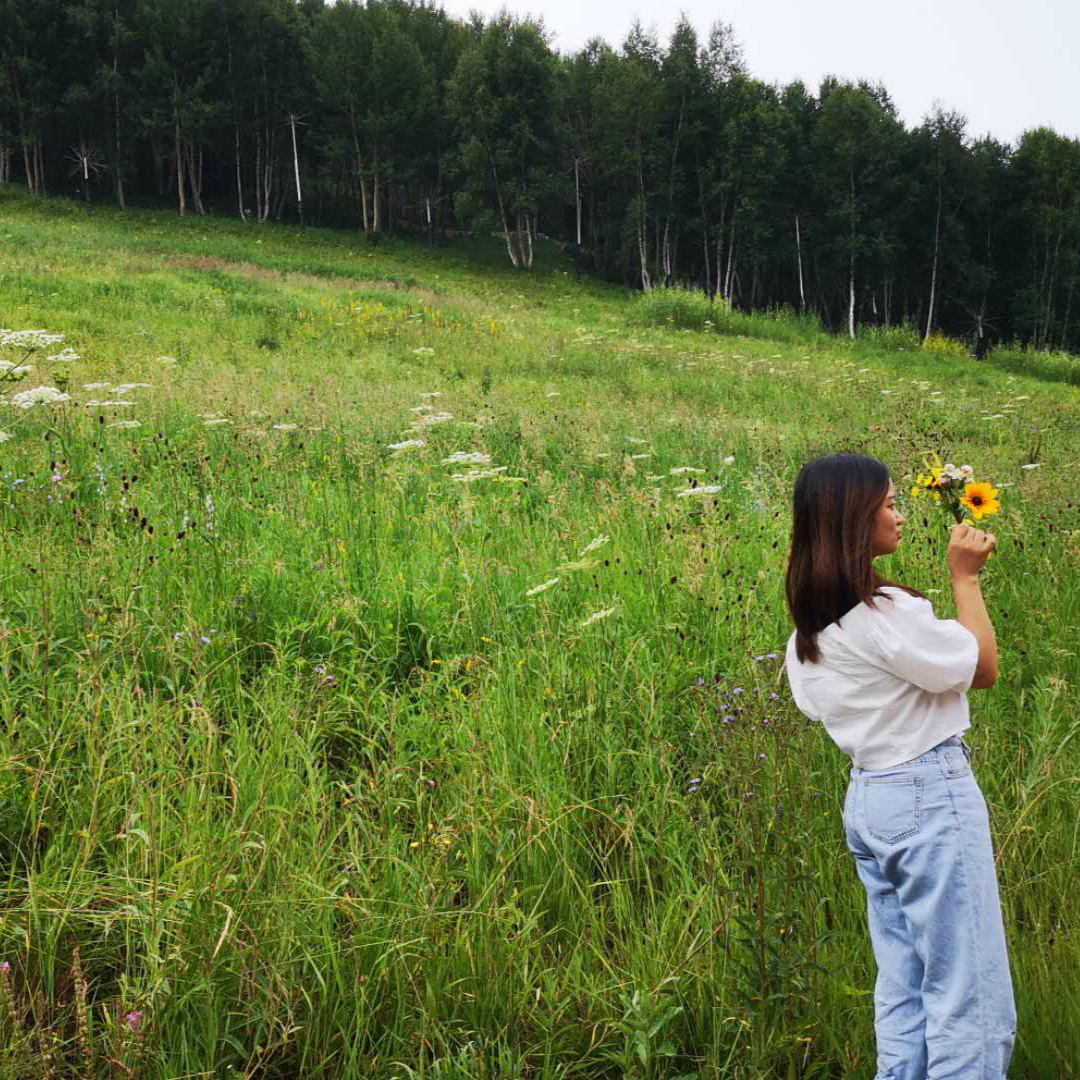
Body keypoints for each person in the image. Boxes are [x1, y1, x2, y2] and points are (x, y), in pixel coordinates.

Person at [783, 452, 1016, 1080]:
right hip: (928, 793)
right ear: (855, 519)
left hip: (871, 801)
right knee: (969, 995)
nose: (899, 512)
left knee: (905, 986)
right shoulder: (884, 616)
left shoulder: (811, 630)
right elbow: (984, 669)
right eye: (888, 503)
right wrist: (965, 579)